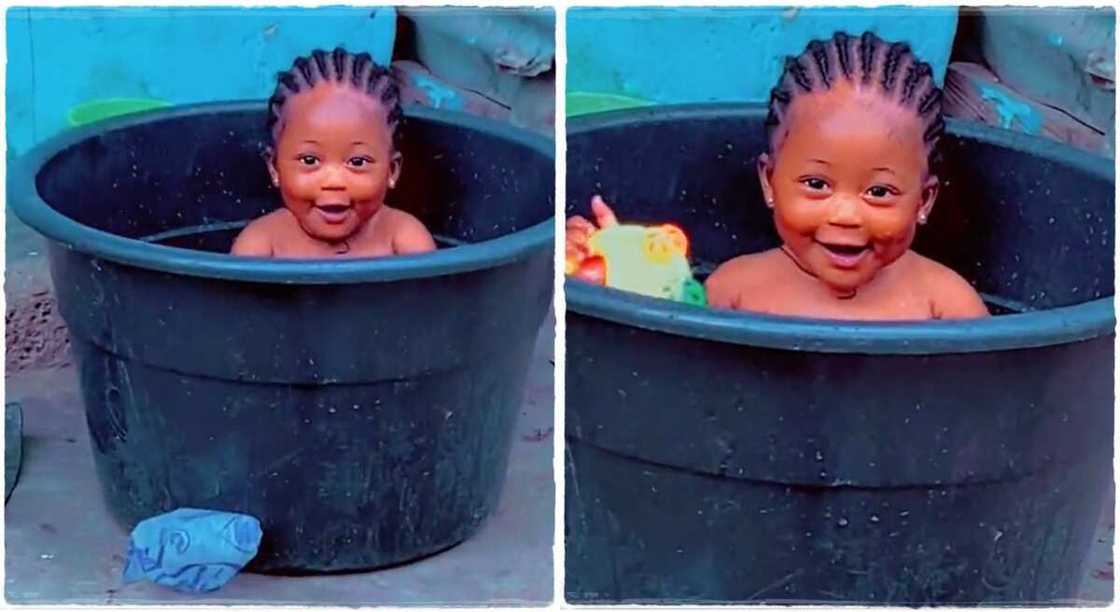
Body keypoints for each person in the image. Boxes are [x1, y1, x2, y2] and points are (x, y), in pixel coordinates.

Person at [568, 32, 989, 320]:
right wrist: (627, 267)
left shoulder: (946, 307)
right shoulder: (736, 292)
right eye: (816, 184)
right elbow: (666, 370)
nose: (845, 214)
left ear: (924, 201)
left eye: (879, 191)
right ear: (769, 182)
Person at [232, 48, 436, 258]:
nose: (334, 180)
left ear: (391, 171)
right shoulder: (261, 246)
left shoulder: (405, 241)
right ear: (275, 168)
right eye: (309, 160)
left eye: (357, 162)